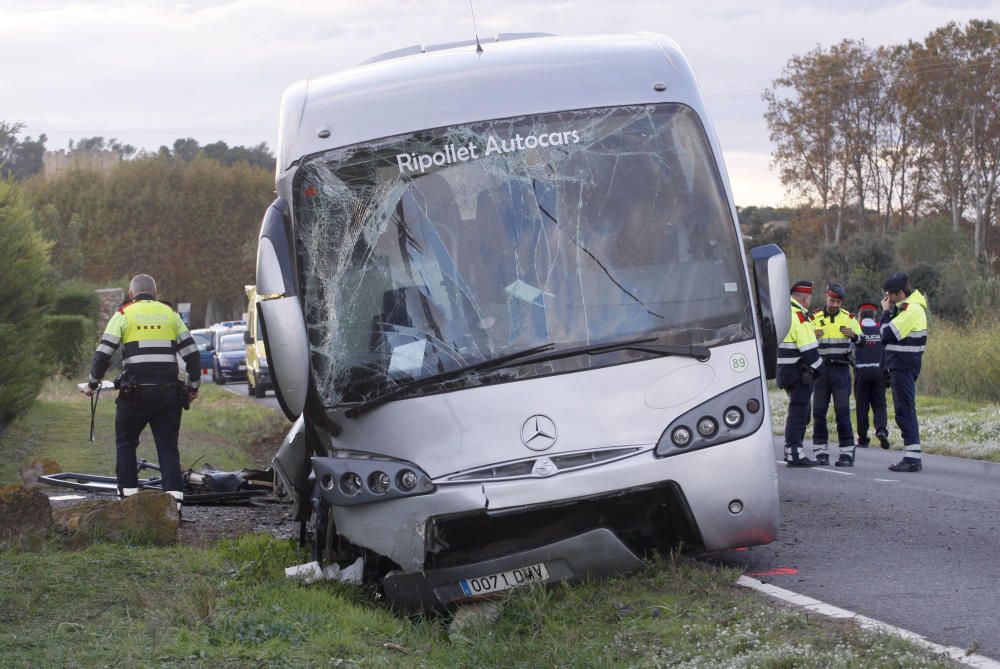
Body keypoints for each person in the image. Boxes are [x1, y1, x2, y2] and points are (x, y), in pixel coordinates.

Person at [81, 274, 201, 510]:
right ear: (156, 294)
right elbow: (193, 355)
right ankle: (174, 505)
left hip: (134, 392)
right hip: (168, 393)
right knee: (167, 446)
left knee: (126, 443)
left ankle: (129, 502)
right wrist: (193, 388)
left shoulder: (124, 314)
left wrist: (92, 384)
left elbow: (104, 354)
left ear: (130, 294)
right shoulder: (171, 315)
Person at [880, 271, 929, 472]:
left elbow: (886, 334)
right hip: (900, 365)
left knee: (905, 410)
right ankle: (912, 455)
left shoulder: (912, 310)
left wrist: (884, 312)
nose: (887, 299)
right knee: (904, 410)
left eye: (889, 295)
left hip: (904, 366)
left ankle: (912, 459)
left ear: (900, 293)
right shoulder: (905, 309)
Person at [810, 283, 862, 467]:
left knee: (842, 413)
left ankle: (847, 454)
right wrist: (811, 335)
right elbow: (802, 339)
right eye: (832, 301)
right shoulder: (814, 317)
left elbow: (862, 340)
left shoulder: (849, 317)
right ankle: (821, 453)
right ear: (826, 297)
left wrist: (854, 336)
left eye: (838, 302)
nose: (835, 305)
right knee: (818, 413)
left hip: (840, 370)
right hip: (821, 371)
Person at [777, 280, 823, 467]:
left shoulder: (784, 313)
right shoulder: (800, 317)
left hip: (785, 370)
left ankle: (790, 451)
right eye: (809, 297)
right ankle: (795, 452)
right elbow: (809, 351)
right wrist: (821, 371)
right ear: (804, 298)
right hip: (799, 372)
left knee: (796, 411)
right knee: (799, 412)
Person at [853, 303, 890, 450]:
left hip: (861, 372)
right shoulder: (880, 329)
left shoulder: (857, 329)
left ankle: (863, 438)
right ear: (875, 317)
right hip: (878, 371)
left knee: (862, 406)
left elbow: (851, 349)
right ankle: (881, 430)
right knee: (879, 404)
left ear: (860, 316)